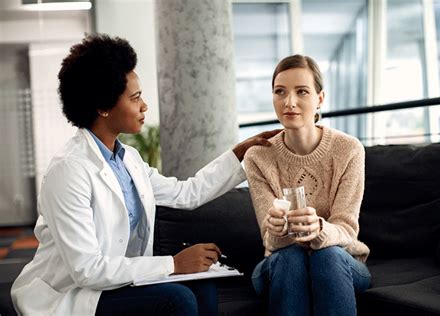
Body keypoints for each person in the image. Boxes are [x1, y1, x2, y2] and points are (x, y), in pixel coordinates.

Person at [10, 34, 279, 316]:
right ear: (102, 107)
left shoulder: (129, 160)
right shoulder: (68, 171)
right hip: (74, 294)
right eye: (135, 97)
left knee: (204, 286)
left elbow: (186, 193)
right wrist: (173, 264)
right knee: (178, 300)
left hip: (118, 282)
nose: (144, 106)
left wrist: (240, 154)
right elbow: (87, 270)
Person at [244, 54, 371, 316]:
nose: (289, 102)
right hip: (280, 263)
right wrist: (279, 231)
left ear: (320, 98)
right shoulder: (257, 157)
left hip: (341, 261)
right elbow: (271, 241)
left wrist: (320, 229)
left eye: (301, 91)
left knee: (328, 256)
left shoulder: (348, 150)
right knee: (291, 258)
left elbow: (347, 230)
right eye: (280, 92)